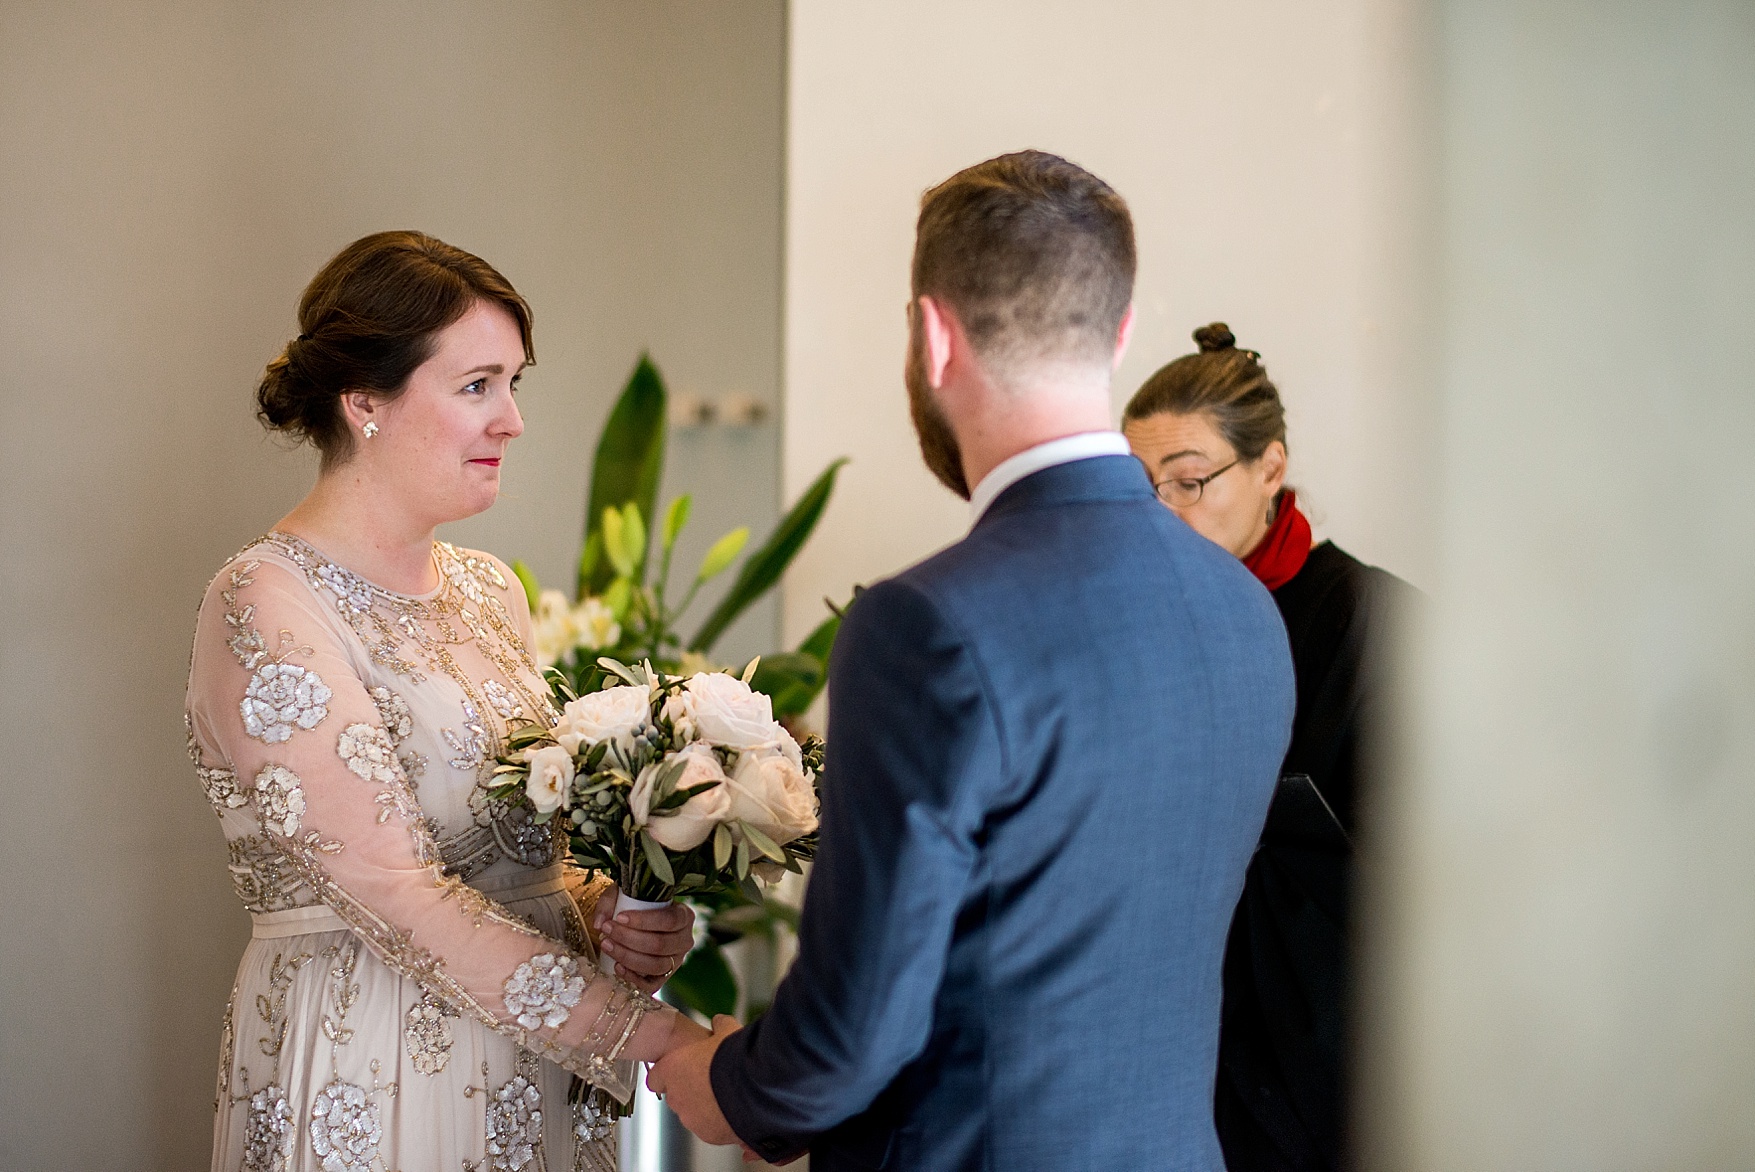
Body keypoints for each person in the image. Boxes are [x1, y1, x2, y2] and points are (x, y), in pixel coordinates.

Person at [649, 152, 1295, 1170]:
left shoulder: (927, 625)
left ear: (933, 336)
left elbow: (851, 1033)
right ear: (1120, 332)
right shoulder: (1245, 607)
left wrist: (725, 1083)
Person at [185, 231, 704, 1172]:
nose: (510, 420)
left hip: (536, 1063)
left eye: (514, 383)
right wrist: (663, 1041)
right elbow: (398, 895)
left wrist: (604, 911)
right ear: (365, 402)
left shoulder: (488, 588)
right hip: (375, 1060)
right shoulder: (264, 600)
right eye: (476, 386)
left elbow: (507, 855)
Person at [1122, 323, 1413, 1171]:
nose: (1166, 513)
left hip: (1322, 1031)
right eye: (1143, 490)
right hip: (1173, 1026)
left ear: (1270, 469)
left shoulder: (1367, 618)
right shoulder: (1143, 617)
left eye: (1189, 481)